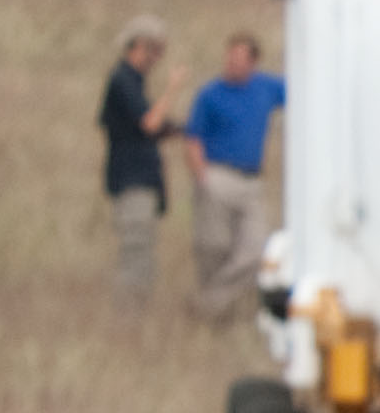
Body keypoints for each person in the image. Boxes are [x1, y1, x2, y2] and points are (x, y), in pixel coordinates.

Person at [184, 34, 288, 326]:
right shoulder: (210, 94)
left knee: (256, 251)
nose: (232, 65)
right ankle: (216, 318)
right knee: (213, 246)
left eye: (240, 60)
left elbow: (304, 91)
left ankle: (206, 303)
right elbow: (193, 138)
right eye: (230, 58)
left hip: (251, 181)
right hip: (217, 175)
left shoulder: (266, 88)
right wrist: (202, 176)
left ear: (253, 63)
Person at [96, 19, 181, 308]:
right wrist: (172, 89)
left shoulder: (133, 82)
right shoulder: (122, 79)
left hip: (141, 178)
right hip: (131, 178)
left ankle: (136, 310)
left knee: (143, 250)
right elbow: (149, 122)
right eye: (153, 50)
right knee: (136, 250)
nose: (156, 59)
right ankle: (129, 313)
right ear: (137, 46)